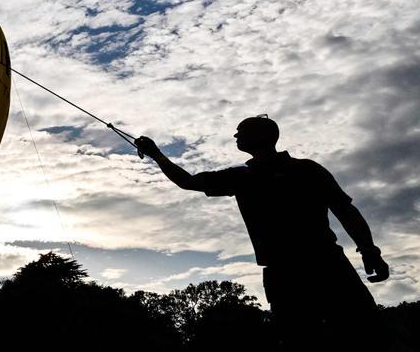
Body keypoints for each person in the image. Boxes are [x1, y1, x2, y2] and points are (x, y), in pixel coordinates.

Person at [134, 115, 390, 349]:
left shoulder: (296, 171)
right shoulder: (252, 175)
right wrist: (156, 155)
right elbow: (188, 182)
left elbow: (345, 210)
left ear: (262, 137)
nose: (235, 136)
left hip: (316, 267)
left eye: (241, 131)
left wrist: (369, 249)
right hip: (300, 269)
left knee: (365, 335)